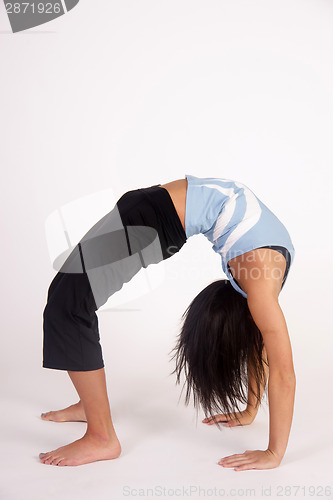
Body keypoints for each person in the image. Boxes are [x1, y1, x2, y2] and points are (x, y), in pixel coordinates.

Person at [39, 174, 296, 470]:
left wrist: (267, 439)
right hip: (151, 214)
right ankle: (90, 406)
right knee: (67, 299)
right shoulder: (261, 287)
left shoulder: (266, 277)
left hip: (152, 216)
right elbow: (274, 359)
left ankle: (101, 436)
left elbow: (272, 359)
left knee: (68, 307)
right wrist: (256, 422)